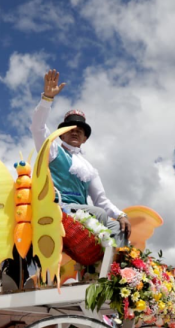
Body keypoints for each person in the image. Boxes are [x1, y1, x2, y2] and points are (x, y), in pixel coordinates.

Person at [30, 69, 131, 247]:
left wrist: (121, 215)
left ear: (85, 139)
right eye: (71, 129)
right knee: (99, 214)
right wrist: (47, 98)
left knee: (118, 228)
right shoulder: (52, 150)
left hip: (82, 216)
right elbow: (38, 128)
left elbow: (101, 199)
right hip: (58, 210)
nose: (75, 132)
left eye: (80, 130)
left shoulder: (89, 168)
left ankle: (115, 263)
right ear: (62, 134)